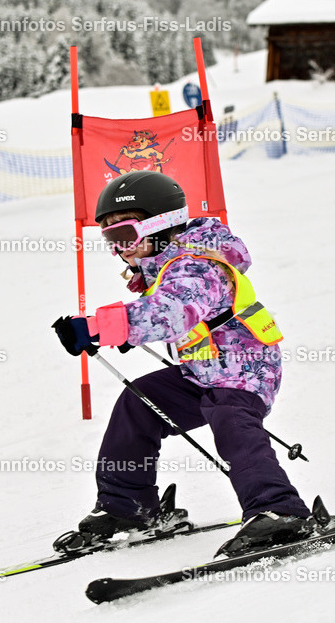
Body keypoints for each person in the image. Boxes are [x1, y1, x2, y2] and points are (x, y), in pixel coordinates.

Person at [52, 171, 312, 557]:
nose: (118, 249)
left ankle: (277, 510)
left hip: (245, 371)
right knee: (138, 404)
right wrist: (128, 330)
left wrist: (102, 328)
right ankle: (128, 509)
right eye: (109, 240)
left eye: (123, 235)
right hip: (202, 372)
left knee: (230, 418)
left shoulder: (197, 264)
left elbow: (172, 313)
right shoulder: (164, 267)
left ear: (160, 225)